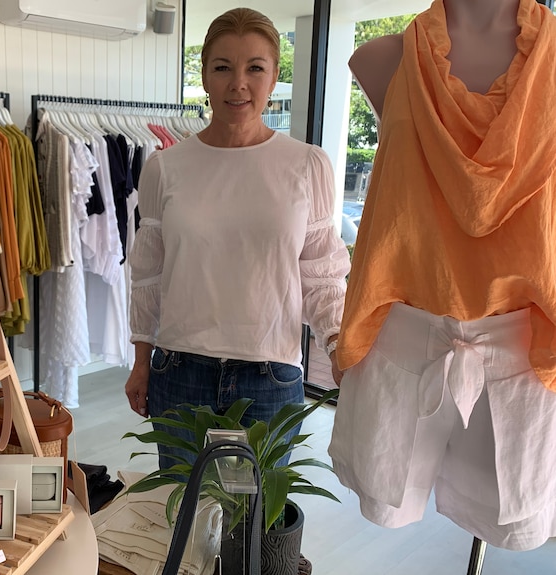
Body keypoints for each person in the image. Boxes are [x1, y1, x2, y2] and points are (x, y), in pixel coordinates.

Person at [329, 0, 556, 552]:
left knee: (508, 519)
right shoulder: (384, 59)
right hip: (404, 344)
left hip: (524, 359)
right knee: (389, 499)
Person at [126, 7, 350, 470]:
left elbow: (322, 273)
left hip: (270, 376)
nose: (238, 83)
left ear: (273, 77)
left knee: (253, 534)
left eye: (255, 68)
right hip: (180, 370)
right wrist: (141, 360)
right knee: (187, 526)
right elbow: (147, 273)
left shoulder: (307, 166)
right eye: (223, 67)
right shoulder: (165, 168)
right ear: (205, 76)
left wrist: (337, 344)